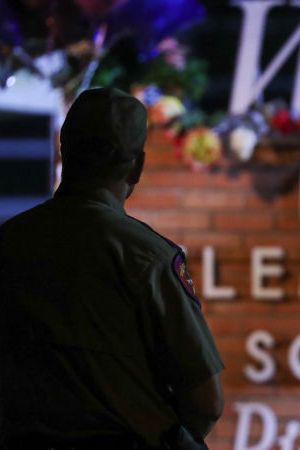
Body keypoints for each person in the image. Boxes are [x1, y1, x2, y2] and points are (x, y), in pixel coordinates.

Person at [0, 87, 224, 450]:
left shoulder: (9, 242)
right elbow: (206, 403)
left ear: (64, 149)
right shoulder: (146, 257)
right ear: (137, 164)